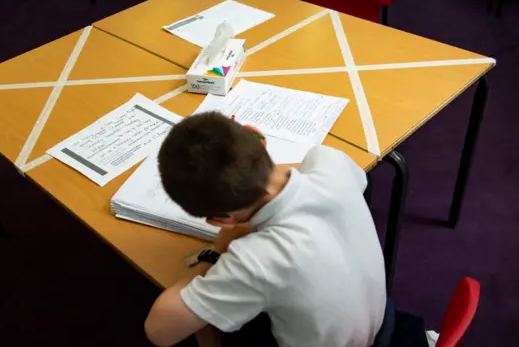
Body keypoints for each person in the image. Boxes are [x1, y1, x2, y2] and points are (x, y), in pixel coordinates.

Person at [145, 111, 387, 347]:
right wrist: (246, 167)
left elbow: (159, 331)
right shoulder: (329, 162)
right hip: (383, 323)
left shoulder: (254, 261)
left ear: (223, 220)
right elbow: (357, 180)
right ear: (257, 135)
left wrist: (216, 252)